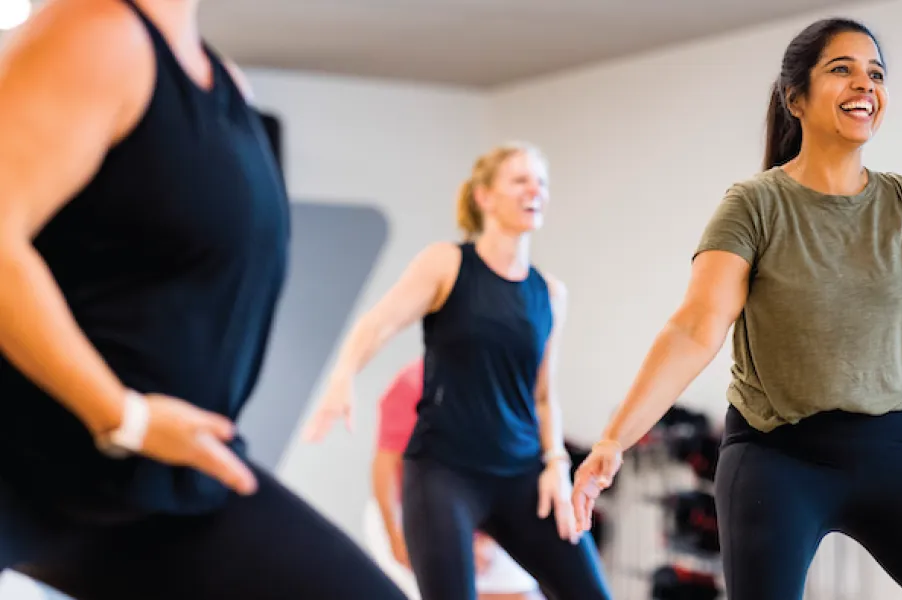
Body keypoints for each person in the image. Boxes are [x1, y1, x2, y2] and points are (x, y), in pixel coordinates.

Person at [569, 17, 902, 600]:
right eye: (842, 70)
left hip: (898, 451)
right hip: (776, 458)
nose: (865, 85)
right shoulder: (754, 205)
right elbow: (695, 328)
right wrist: (614, 439)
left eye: (876, 74)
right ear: (796, 98)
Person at [0, 1, 407, 598]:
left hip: (157, 483)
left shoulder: (224, 83)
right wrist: (120, 414)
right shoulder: (96, 34)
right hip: (42, 469)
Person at [302, 143, 611, 600]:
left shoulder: (550, 294)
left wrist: (556, 464)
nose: (535, 191)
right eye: (520, 180)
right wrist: (341, 376)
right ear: (484, 196)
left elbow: (544, 397)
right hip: (445, 472)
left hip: (523, 473)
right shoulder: (446, 264)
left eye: (541, 182)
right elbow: (378, 323)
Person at [372, 358, 544, 600]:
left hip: (476, 515)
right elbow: (385, 464)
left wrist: (488, 540)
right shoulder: (414, 384)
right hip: (411, 514)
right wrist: (395, 536)